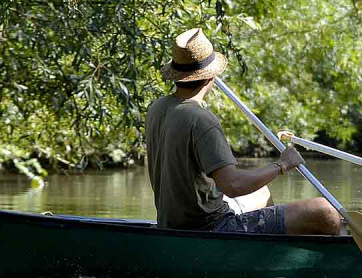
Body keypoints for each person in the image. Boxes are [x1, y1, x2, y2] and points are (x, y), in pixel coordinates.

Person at [143, 28, 342, 235]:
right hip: (212, 228)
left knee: (261, 192)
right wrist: (282, 165)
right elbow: (233, 185)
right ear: (212, 76)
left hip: (171, 224)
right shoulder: (201, 119)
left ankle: (265, 246)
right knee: (325, 211)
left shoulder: (157, 108)